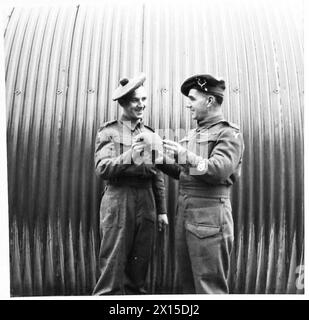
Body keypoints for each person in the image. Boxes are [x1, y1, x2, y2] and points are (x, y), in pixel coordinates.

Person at [155, 74, 244, 294]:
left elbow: (218, 169)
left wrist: (184, 154)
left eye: (193, 98)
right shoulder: (195, 134)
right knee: (189, 283)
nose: (188, 104)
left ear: (210, 100)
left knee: (208, 286)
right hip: (187, 212)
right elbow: (185, 172)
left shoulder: (228, 133)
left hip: (210, 215)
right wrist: (156, 158)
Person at [92, 73, 168, 295]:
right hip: (119, 199)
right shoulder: (109, 131)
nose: (141, 105)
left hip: (147, 201)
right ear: (124, 103)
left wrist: (162, 210)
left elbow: (157, 174)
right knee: (112, 266)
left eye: (144, 100)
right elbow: (102, 168)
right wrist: (129, 156)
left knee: (139, 265)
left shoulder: (150, 133)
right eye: (136, 100)